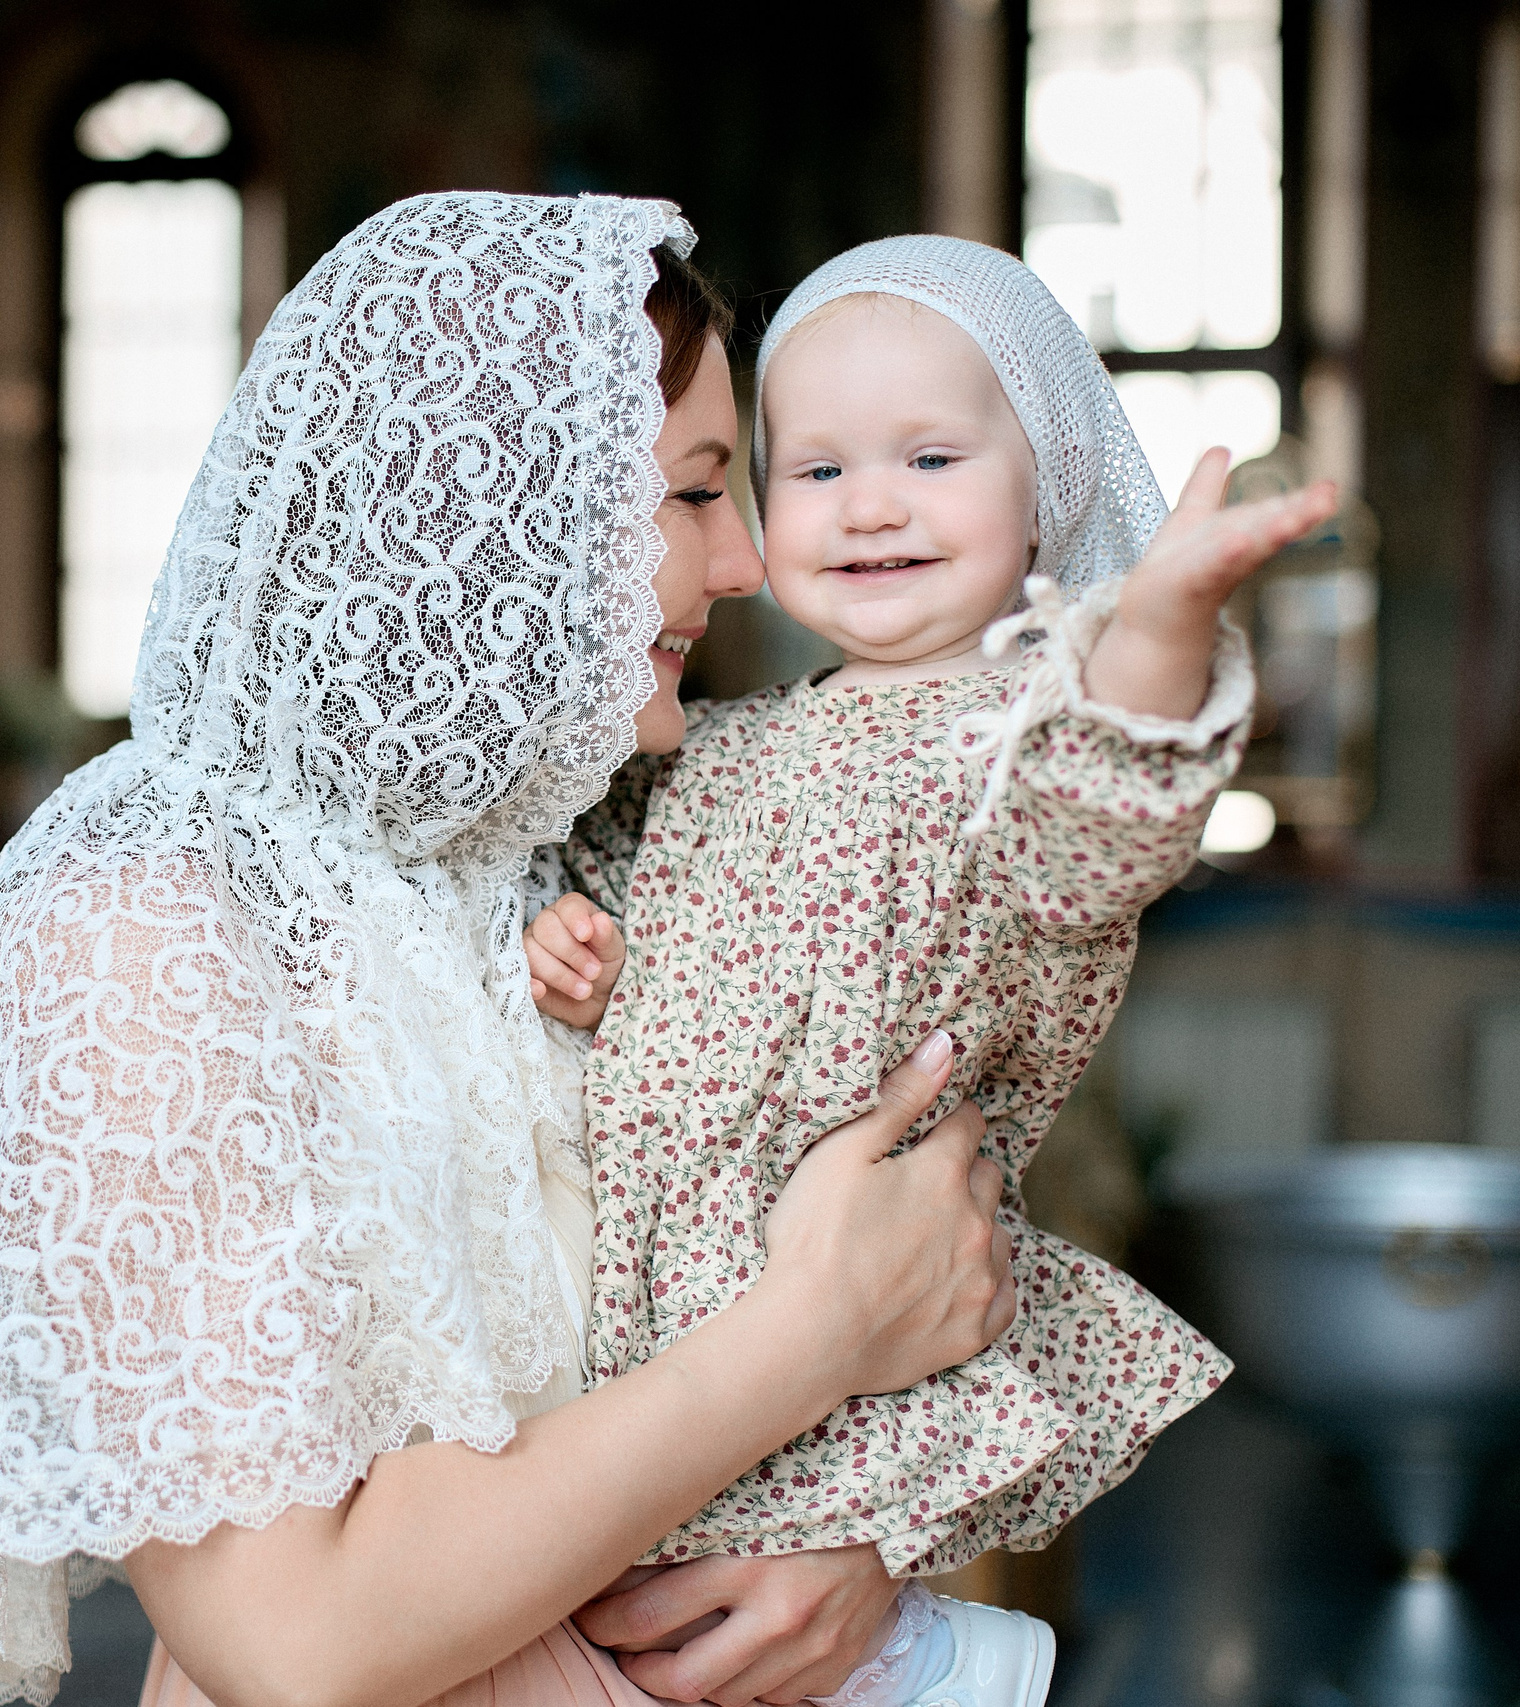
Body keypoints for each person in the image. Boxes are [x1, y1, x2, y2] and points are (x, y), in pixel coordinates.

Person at [0, 193, 1018, 1707]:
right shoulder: (135, 917)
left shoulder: (539, 857)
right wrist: (815, 1334)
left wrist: (836, 1540)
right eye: (694, 495)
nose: (749, 562)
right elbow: (293, 1638)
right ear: (492, 511)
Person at [522, 236, 1339, 1706]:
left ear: (1048, 487)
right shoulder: (720, 741)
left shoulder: (1022, 744)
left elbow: (1106, 829)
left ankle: (925, 1668)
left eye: (932, 457)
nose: (872, 505)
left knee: (729, 1640)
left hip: (828, 1326)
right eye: (816, 470)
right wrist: (573, 948)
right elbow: (601, 889)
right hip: (665, 1316)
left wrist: (1154, 631)